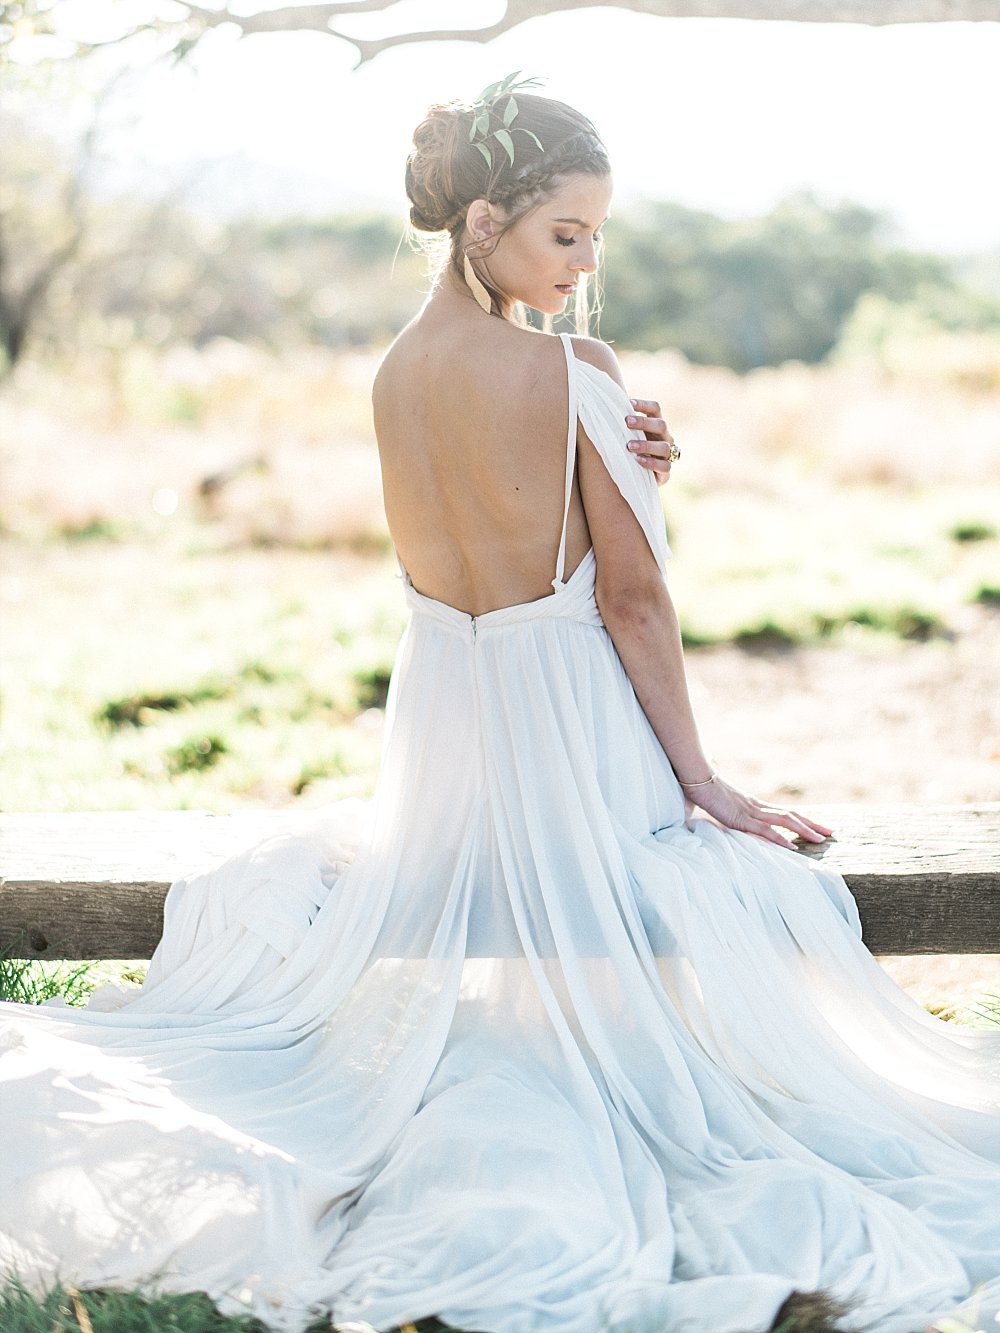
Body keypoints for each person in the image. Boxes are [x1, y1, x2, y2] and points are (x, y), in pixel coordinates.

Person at [1, 80, 999, 1333]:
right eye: (564, 235)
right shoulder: (576, 368)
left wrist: (623, 479)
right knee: (711, 911)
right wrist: (701, 776)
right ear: (483, 220)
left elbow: (455, 563)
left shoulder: (391, 375)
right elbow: (625, 602)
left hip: (449, 736)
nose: (584, 268)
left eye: (594, 240)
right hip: (570, 721)